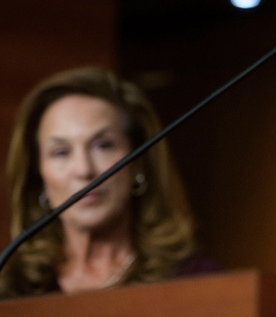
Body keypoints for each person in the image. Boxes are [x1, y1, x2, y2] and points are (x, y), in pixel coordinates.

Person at [0, 67, 219, 297]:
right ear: (38, 175)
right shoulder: (11, 288)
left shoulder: (194, 280)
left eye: (103, 146)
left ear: (138, 163)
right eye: (61, 152)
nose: (84, 170)